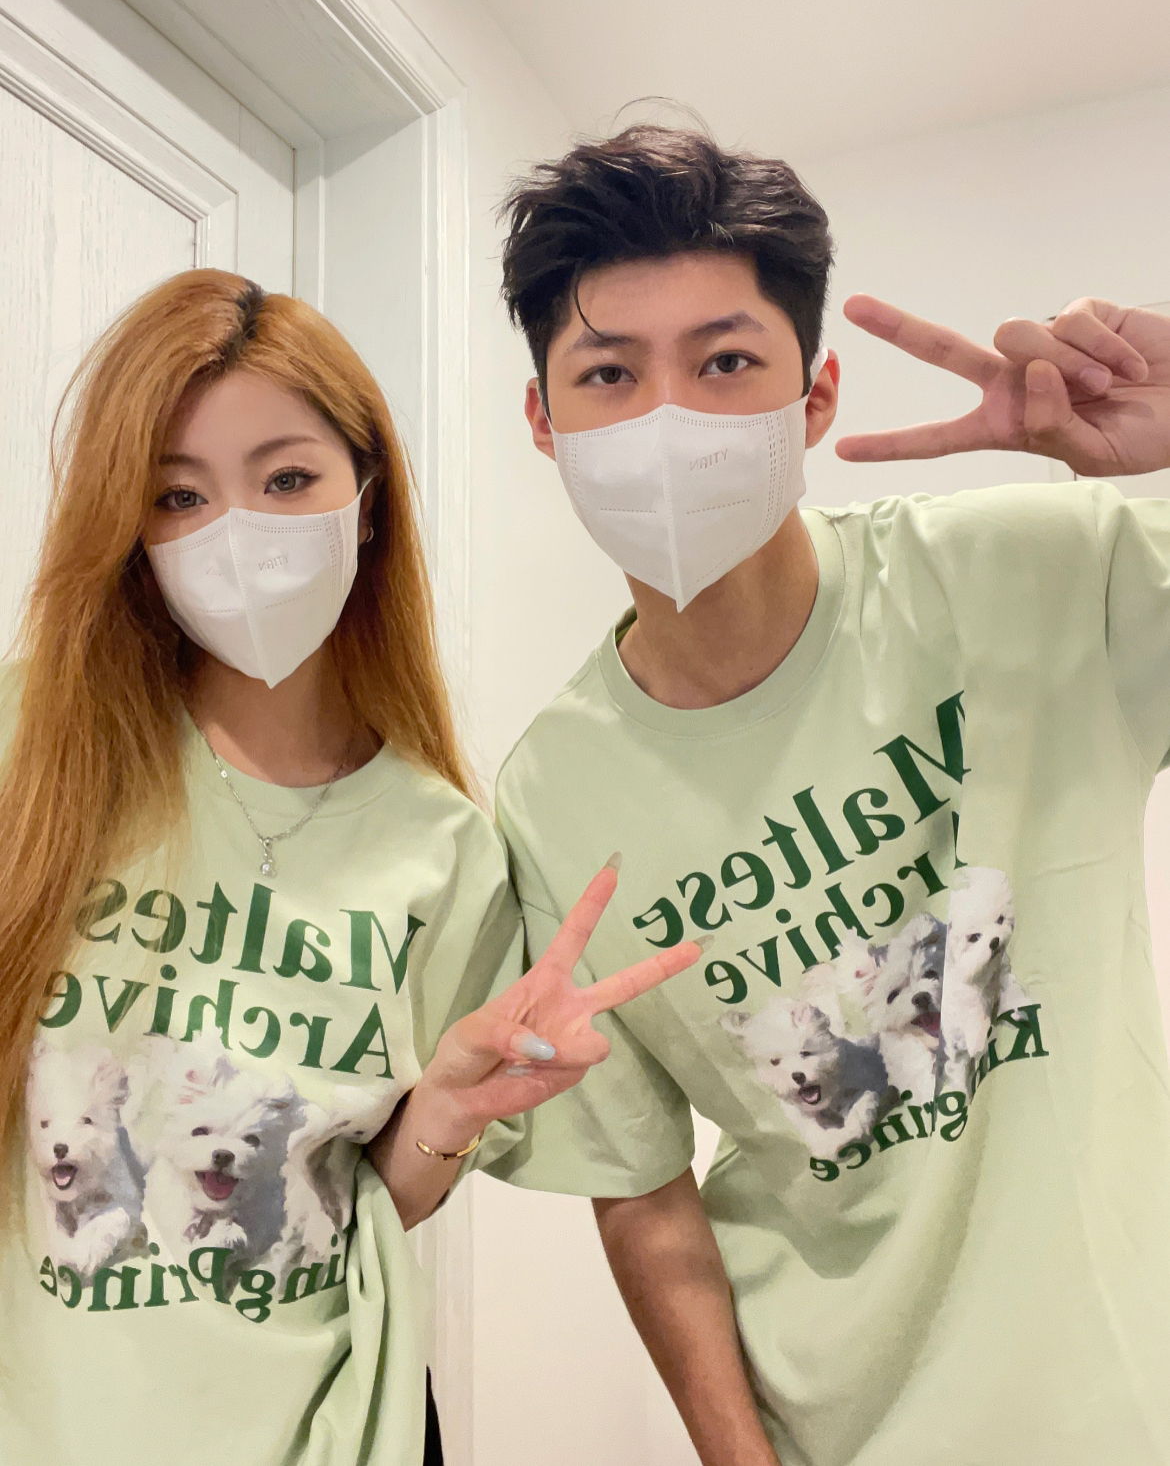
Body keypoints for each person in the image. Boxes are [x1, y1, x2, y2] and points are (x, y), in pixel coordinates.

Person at [487, 124, 1170, 1466]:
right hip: (830, 1431)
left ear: (814, 398)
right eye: (609, 373)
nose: (667, 419)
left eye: (724, 362)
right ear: (543, 422)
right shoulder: (550, 792)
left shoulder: (1028, 572)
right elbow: (640, 1184)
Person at [0, 268, 699, 1466]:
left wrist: (448, 1111)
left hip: (338, 1423)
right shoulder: (40, 746)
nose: (238, 532)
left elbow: (372, 1195)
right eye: (178, 495)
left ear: (367, 501)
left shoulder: (446, 846)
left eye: (287, 480)